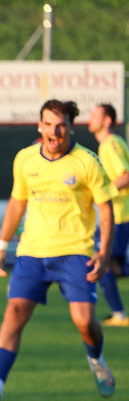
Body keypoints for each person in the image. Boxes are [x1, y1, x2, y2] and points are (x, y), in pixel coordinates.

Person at [0, 100, 118, 401]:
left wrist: (103, 253)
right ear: (39, 126)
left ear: (70, 128)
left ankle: (96, 358)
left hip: (76, 252)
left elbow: (106, 209)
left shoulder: (87, 161)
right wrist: (1, 245)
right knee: (14, 313)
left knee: (85, 321)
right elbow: (16, 203)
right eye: (48, 124)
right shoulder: (24, 159)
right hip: (32, 253)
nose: (54, 131)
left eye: (60, 125)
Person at [87, 103, 129, 327]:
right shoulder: (113, 143)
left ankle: (120, 315)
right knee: (113, 267)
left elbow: (126, 175)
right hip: (120, 214)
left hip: (120, 214)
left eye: (95, 114)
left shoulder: (110, 144)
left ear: (107, 121)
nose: (90, 117)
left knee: (99, 260)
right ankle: (119, 314)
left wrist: (104, 193)